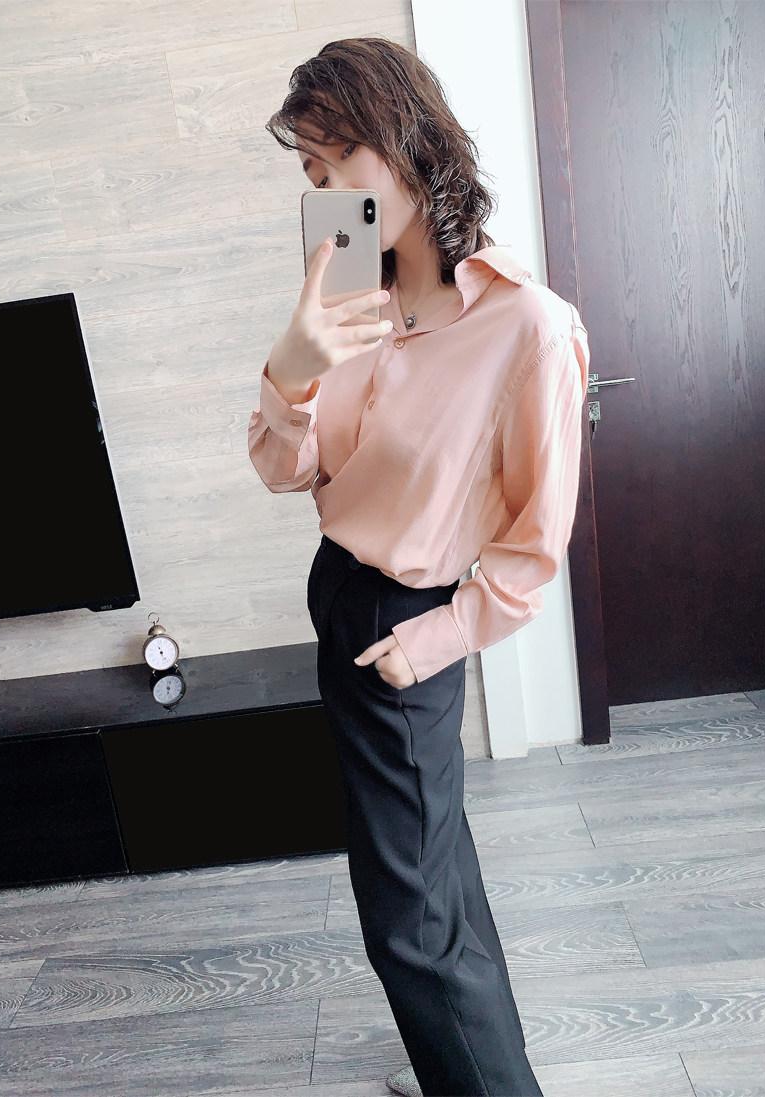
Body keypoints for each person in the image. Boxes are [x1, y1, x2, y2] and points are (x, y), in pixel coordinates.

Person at [248, 37, 589, 1097]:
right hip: (341, 592)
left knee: (408, 918)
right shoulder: (349, 303)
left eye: (339, 157)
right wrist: (291, 371)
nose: (328, 192)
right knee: (439, 880)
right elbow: (285, 469)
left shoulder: (527, 328)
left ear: (405, 140)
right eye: (311, 172)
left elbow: (534, 540)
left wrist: (436, 637)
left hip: (403, 625)